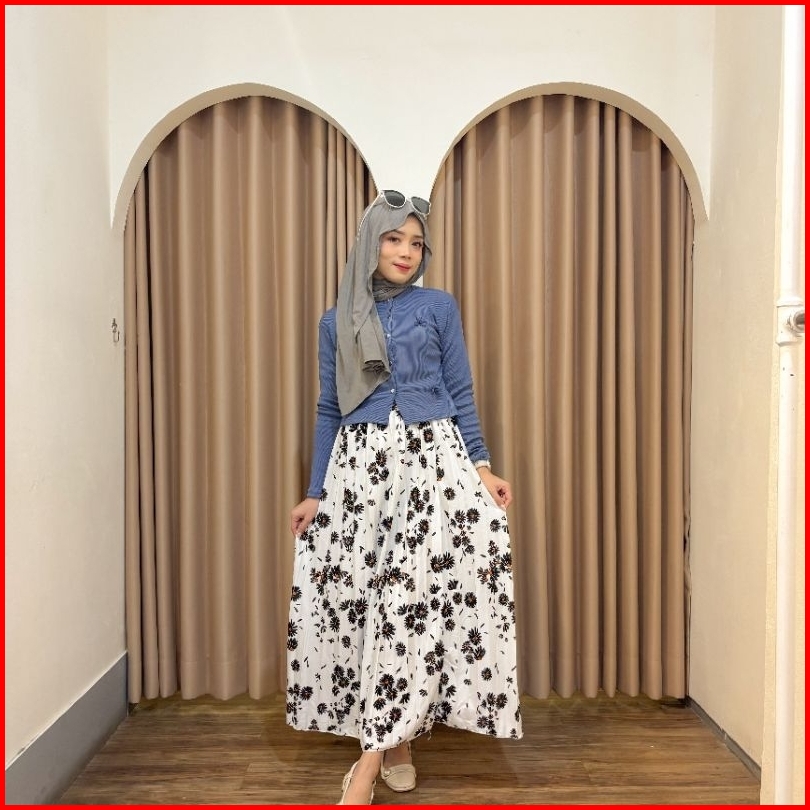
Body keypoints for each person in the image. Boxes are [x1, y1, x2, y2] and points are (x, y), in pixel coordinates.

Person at [286, 190, 522, 805]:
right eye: (394, 239)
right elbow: (329, 408)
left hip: (431, 468)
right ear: (371, 242)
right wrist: (315, 492)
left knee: (410, 603)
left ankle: (367, 766)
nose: (406, 252)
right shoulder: (335, 321)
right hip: (361, 473)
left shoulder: (438, 307)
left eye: (416, 243)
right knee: (368, 602)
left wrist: (481, 466)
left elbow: (460, 390)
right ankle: (395, 743)